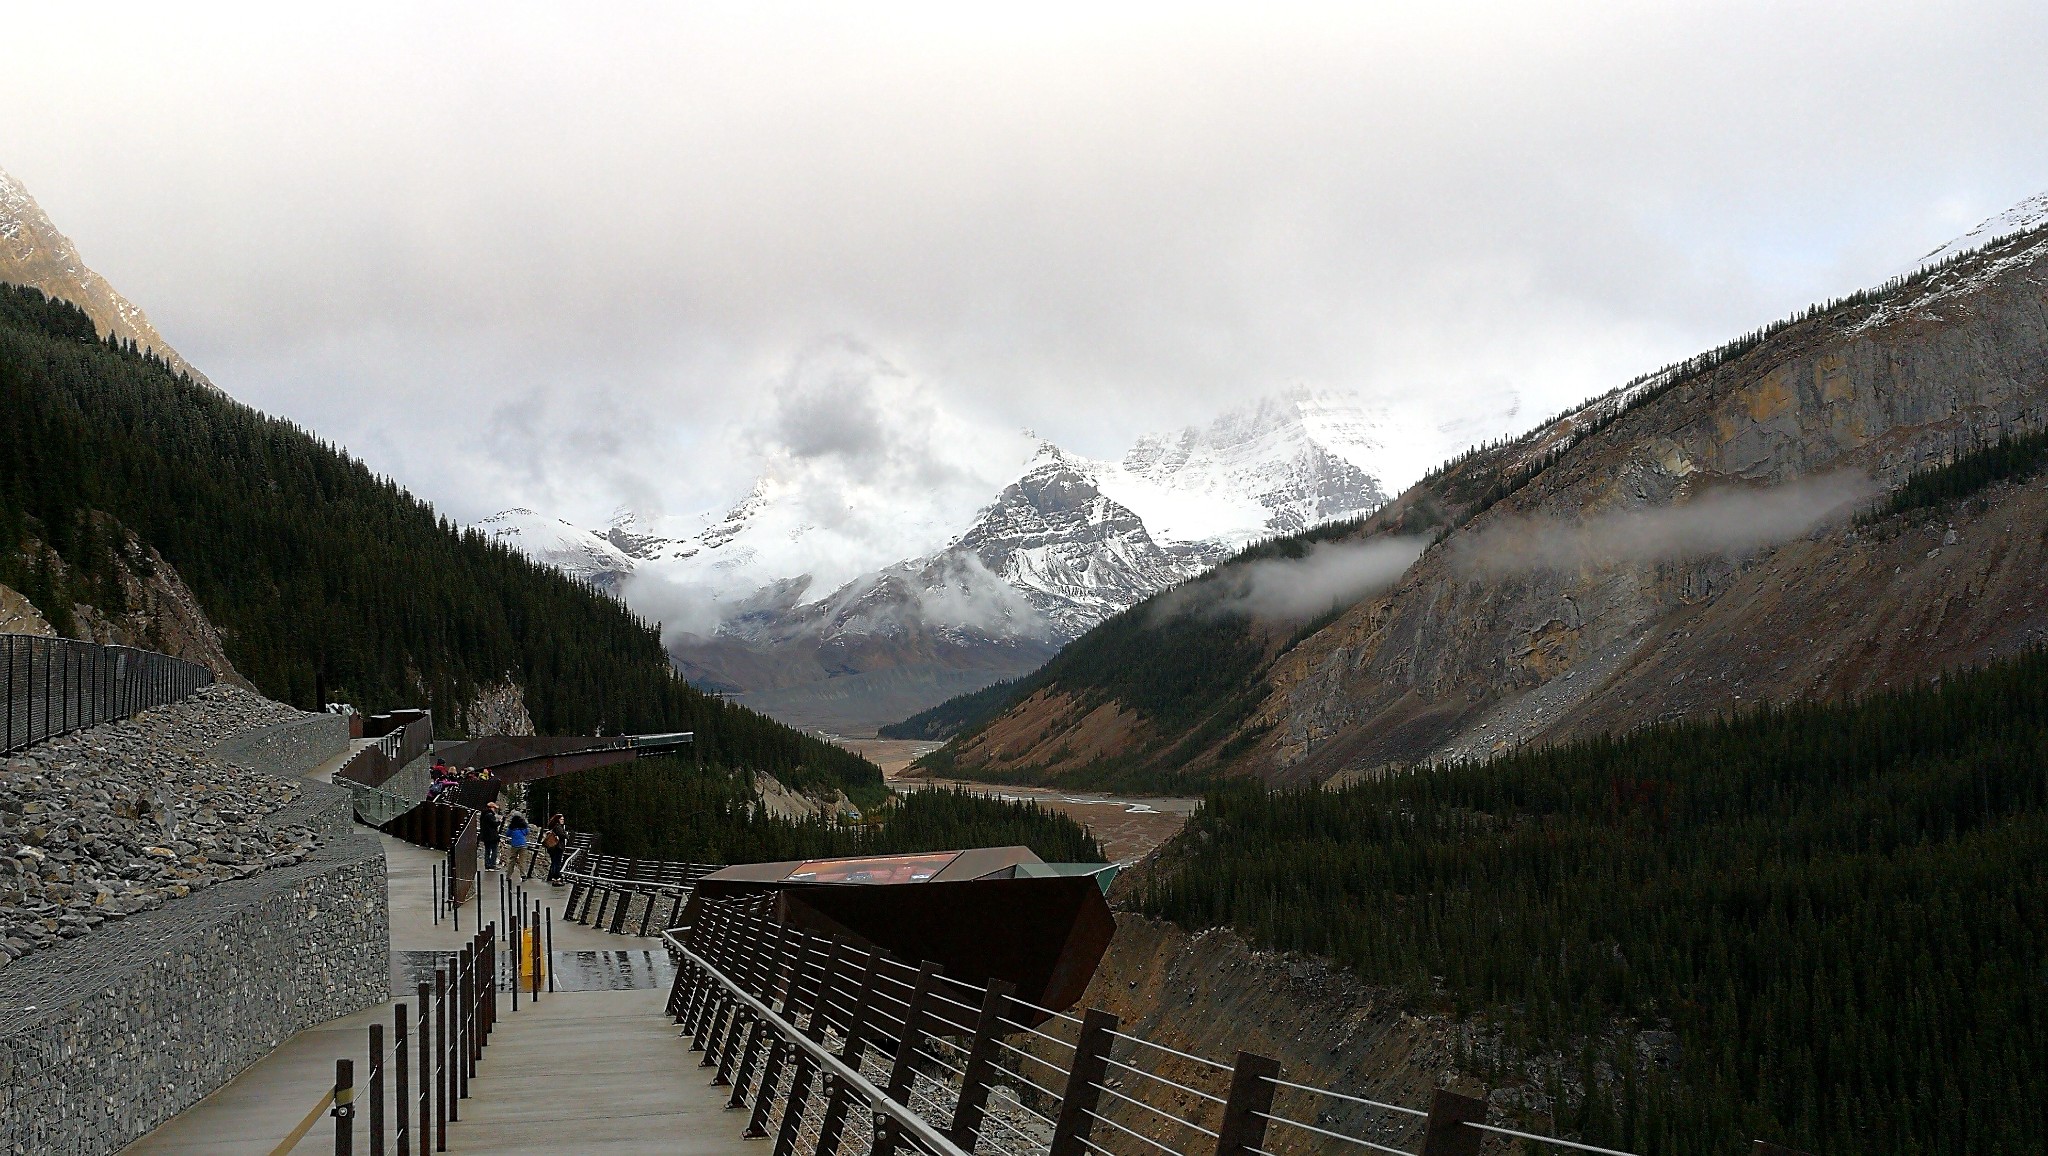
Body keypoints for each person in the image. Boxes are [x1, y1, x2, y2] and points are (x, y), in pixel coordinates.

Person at [543, 813, 569, 884]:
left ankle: (551, 877)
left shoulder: (552, 826)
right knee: (557, 863)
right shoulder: (558, 827)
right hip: (558, 846)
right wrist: (566, 835)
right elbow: (563, 835)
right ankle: (556, 878)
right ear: (558, 820)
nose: (562, 821)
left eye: (563, 819)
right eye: (561, 819)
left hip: (552, 847)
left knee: (554, 862)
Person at [479, 802, 503, 871]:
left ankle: (487, 865)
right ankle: (492, 865)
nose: (495, 810)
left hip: (486, 836)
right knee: (494, 850)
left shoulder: (483, 815)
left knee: (487, 851)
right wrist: (499, 821)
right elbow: (494, 824)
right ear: (491, 808)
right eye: (494, 808)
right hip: (492, 836)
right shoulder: (490, 815)